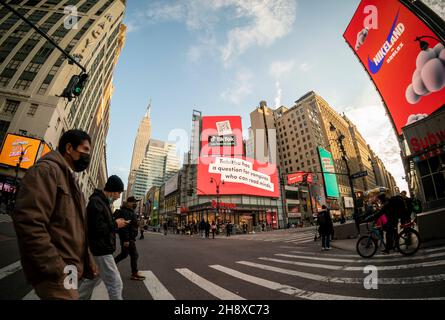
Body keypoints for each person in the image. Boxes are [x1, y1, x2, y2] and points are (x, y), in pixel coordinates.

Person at [12, 130, 98, 300]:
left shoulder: (71, 182)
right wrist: (55, 267)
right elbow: (30, 222)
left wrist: (88, 260)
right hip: (57, 271)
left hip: (69, 269)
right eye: (85, 149)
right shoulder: (46, 171)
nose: (88, 155)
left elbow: (76, 229)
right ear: (69, 148)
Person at [87, 175, 128, 300]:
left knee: (91, 281)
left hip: (100, 248)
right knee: (116, 284)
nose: (119, 197)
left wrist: (115, 222)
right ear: (113, 190)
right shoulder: (97, 202)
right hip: (101, 249)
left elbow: (102, 224)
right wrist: (116, 224)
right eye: (119, 193)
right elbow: (97, 228)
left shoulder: (101, 202)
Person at [114, 197, 146, 281]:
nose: (135, 204)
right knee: (134, 255)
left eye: (135, 202)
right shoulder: (126, 211)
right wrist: (126, 240)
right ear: (128, 203)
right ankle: (134, 273)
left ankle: (111, 266)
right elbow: (125, 226)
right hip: (128, 238)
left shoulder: (130, 211)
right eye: (133, 202)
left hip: (129, 238)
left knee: (124, 254)